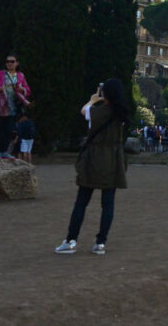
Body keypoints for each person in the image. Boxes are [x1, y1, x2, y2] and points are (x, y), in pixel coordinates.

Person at [55, 78, 129, 256]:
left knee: (82, 201)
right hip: (113, 159)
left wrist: (94, 99)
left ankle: (71, 241)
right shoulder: (123, 114)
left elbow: (84, 110)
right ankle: (100, 243)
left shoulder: (97, 112)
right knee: (108, 204)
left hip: (94, 158)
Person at [0, 54, 32, 160]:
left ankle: (5, 151)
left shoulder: (20, 76)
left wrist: (22, 90)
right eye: (8, 61)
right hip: (0, 106)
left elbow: (27, 89)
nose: (10, 63)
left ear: (17, 63)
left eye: (12, 61)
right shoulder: (0, 74)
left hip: (13, 107)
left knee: (9, 130)